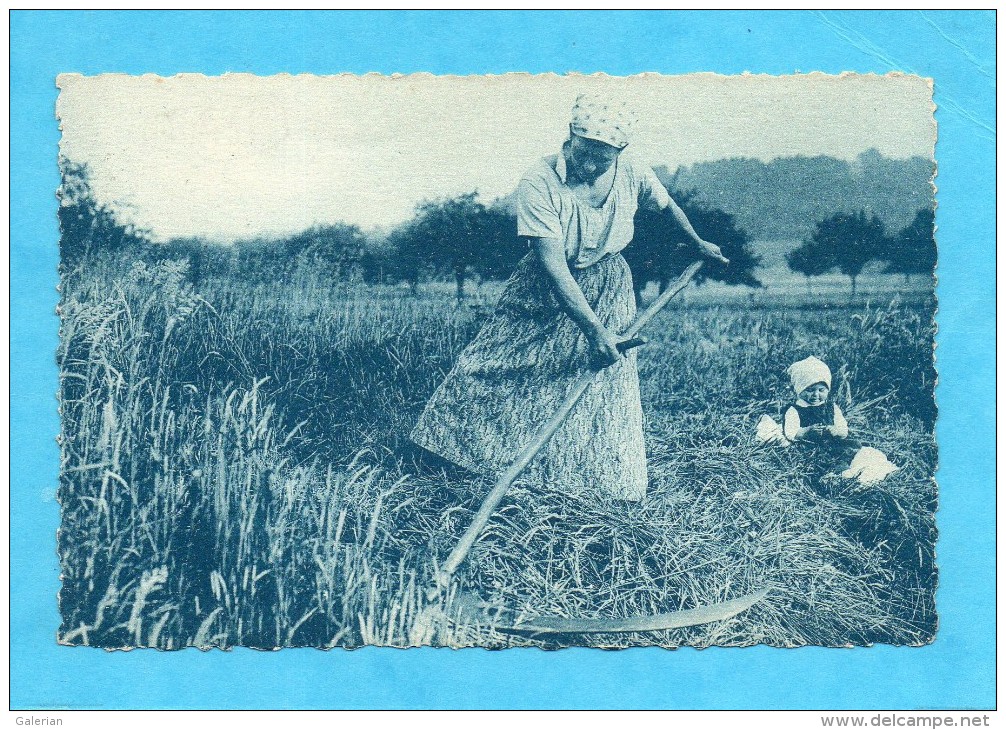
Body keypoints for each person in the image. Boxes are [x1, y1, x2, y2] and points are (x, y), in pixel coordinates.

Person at [409, 94, 726, 501]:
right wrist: (593, 329)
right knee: (491, 366)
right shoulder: (538, 183)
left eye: (603, 159)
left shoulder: (631, 172)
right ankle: (446, 456)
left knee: (601, 383)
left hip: (611, 284)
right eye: (583, 153)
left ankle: (596, 484)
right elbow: (554, 265)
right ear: (569, 137)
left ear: (620, 152)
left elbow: (666, 206)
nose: (589, 167)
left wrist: (698, 242)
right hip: (544, 289)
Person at [782, 356, 861, 462]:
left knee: (854, 446)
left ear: (827, 390)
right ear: (799, 389)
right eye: (810, 390)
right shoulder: (795, 410)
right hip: (810, 447)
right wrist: (806, 432)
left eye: (821, 390)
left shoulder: (831, 407)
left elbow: (843, 428)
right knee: (821, 458)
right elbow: (790, 433)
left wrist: (836, 430)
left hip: (832, 443)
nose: (816, 394)